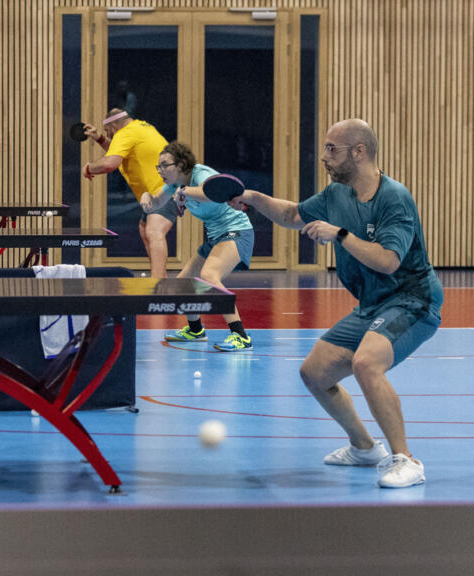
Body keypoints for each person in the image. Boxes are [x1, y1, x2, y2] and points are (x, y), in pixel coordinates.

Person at [230, 118, 442, 488]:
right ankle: (363, 447)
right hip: (373, 303)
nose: (324, 157)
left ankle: (406, 460)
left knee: (366, 363)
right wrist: (252, 197)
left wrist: (340, 234)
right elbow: (291, 215)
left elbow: (389, 260)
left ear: (358, 152)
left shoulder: (393, 197)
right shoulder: (335, 194)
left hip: (412, 299)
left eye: (332, 149)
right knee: (314, 373)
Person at [141, 142, 254, 351]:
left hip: (236, 232)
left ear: (182, 164)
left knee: (210, 275)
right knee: (185, 282)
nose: (160, 170)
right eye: (158, 167)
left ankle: (240, 335)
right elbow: (156, 203)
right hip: (214, 236)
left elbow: (210, 193)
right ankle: (195, 330)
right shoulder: (174, 185)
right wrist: (146, 198)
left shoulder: (200, 174)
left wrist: (185, 191)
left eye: (165, 165)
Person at [82, 109, 176, 278]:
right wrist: (100, 139)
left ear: (112, 125)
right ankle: (161, 278)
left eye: (107, 131)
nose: (108, 134)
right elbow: (119, 151)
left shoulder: (125, 133)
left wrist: (89, 168)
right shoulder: (141, 127)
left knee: (154, 231)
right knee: (145, 228)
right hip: (163, 189)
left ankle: (158, 283)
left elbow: (110, 163)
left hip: (164, 189)